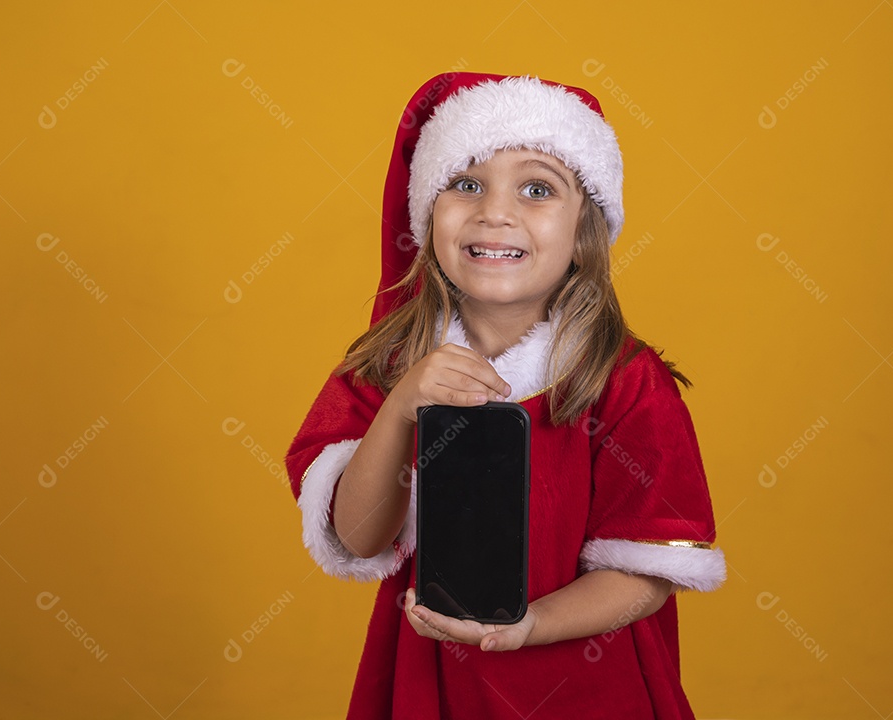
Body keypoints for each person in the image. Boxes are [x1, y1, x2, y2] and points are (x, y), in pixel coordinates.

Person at [284, 72, 725, 719]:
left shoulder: (623, 379)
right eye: (465, 183)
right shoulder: (385, 368)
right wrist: (404, 403)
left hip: (590, 694)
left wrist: (529, 624)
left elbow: (649, 576)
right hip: (431, 687)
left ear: (582, 230)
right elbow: (355, 538)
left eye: (537, 188)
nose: (495, 211)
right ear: (427, 212)